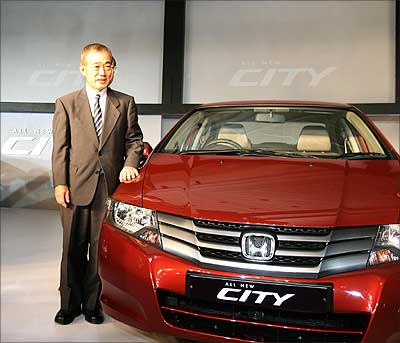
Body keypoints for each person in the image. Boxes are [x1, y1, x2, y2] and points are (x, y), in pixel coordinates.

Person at [51, 43, 143, 325]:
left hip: (110, 189)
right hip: (75, 186)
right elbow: (60, 148)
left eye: (108, 65)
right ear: (83, 69)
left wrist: (129, 164)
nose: (103, 72)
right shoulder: (66, 102)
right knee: (72, 247)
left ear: (113, 68)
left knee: (100, 247)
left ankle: (92, 304)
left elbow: (134, 141)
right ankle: (69, 305)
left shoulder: (125, 102)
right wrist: (60, 183)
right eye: (96, 66)